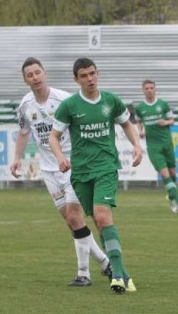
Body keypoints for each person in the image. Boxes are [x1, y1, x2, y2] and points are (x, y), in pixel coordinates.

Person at [11, 57, 111, 287]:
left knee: (75, 217)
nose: (35, 77)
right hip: (49, 171)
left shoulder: (65, 99)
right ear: (25, 79)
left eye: (38, 72)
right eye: (30, 75)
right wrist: (17, 158)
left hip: (72, 166)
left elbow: (85, 125)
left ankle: (83, 273)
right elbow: (24, 132)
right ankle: (106, 262)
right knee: (71, 221)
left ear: (44, 73)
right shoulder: (26, 106)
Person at [49, 57, 144, 294]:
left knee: (102, 218)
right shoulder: (70, 106)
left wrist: (137, 145)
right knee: (98, 224)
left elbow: (127, 124)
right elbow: (53, 136)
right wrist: (60, 157)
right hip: (80, 173)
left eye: (92, 74)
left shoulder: (111, 100)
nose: (90, 79)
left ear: (97, 74)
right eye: (84, 75)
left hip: (105, 168)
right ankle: (122, 271)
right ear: (76, 79)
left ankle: (118, 275)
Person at [133, 79, 178, 213]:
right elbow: (138, 121)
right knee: (164, 174)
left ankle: (171, 196)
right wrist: (141, 131)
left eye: (151, 88)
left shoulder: (163, 104)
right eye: (147, 88)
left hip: (167, 144)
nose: (149, 90)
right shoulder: (140, 108)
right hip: (153, 147)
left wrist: (165, 122)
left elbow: (172, 120)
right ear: (143, 90)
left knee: (173, 174)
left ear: (155, 89)